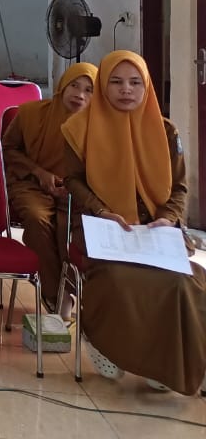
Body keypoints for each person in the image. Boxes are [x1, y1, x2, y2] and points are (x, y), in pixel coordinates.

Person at [60, 51, 206, 395]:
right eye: (116, 81)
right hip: (104, 228)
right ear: (103, 85)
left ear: (147, 86)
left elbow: (179, 188)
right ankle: (102, 341)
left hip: (156, 231)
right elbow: (73, 180)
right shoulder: (78, 129)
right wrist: (101, 210)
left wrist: (167, 218)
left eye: (135, 82)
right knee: (119, 279)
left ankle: (166, 361)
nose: (126, 89)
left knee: (184, 283)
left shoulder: (166, 131)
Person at [2, 63, 97, 316]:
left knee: (70, 230)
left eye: (89, 90)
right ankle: (56, 295)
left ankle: (71, 292)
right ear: (62, 86)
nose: (79, 95)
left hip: (76, 192)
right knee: (38, 220)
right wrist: (39, 172)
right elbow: (8, 149)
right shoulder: (30, 114)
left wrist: (74, 186)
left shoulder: (99, 126)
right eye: (74, 86)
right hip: (30, 184)